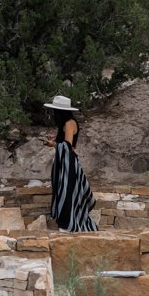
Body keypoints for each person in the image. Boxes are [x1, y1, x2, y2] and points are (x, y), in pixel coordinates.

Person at [43, 94, 98, 232]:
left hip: (68, 163)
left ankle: (68, 224)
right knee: (65, 190)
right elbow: (66, 140)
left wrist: (53, 144)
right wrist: (55, 138)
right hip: (65, 162)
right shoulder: (68, 122)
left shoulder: (68, 124)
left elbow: (67, 146)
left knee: (67, 191)